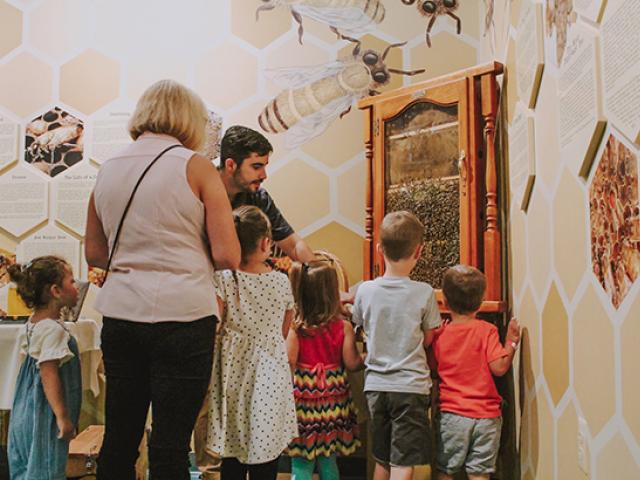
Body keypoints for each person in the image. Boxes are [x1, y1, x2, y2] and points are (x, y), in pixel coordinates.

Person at [84, 79, 240, 480]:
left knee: (119, 440)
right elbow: (227, 255)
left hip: (121, 316)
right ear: (190, 119)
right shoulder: (197, 166)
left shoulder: (109, 168)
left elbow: (96, 254)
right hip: (184, 317)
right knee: (170, 446)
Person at [207, 205, 298, 480]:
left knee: (232, 453)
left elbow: (215, 320)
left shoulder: (223, 279)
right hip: (270, 371)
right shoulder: (281, 282)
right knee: (266, 451)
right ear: (266, 242)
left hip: (233, 372)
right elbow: (285, 327)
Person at [351, 211, 441, 480]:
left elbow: (357, 326)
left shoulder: (365, 290)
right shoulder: (424, 292)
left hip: (376, 387)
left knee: (382, 457)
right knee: (403, 462)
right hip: (410, 387)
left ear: (379, 249)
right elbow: (428, 338)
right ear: (419, 251)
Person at [431, 265, 520, 480]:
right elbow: (499, 368)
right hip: (486, 417)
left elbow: (433, 367)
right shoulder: (486, 331)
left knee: (445, 471)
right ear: (480, 302)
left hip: (452, 416)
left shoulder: (440, 334)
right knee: (479, 473)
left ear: (445, 303)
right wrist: (511, 343)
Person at [286, 259, 364, 480]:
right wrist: (367, 358)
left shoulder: (295, 328)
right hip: (333, 403)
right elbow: (352, 363)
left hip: (303, 403)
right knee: (329, 460)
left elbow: (289, 361)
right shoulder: (343, 327)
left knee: (301, 461)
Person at [7, 256, 81, 480]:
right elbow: (48, 373)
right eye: (72, 281)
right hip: (44, 415)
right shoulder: (52, 330)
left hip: (24, 413)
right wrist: (62, 416)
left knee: (25, 469)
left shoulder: (33, 324)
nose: (76, 287)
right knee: (46, 469)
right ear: (56, 291)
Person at [218, 125, 315, 263]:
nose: (264, 175)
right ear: (230, 165)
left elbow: (294, 245)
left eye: (264, 166)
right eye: (256, 167)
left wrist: (318, 272)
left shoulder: (259, 197)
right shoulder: (200, 192)